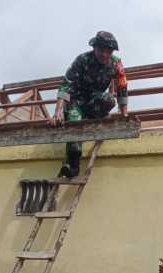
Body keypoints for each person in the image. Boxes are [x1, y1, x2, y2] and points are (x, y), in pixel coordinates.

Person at [51, 31, 129, 178]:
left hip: (95, 100)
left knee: (109, 99)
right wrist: (58, 111)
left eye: (108, 51)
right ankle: (73, 165)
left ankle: (95, 116)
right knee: (74, 124)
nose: (105, 55)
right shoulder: (82, 60)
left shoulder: (116, 63)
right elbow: (65, 85)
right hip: (77, 100)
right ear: (95, 48)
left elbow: (121, 86)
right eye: (101, 50)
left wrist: (124, 113)